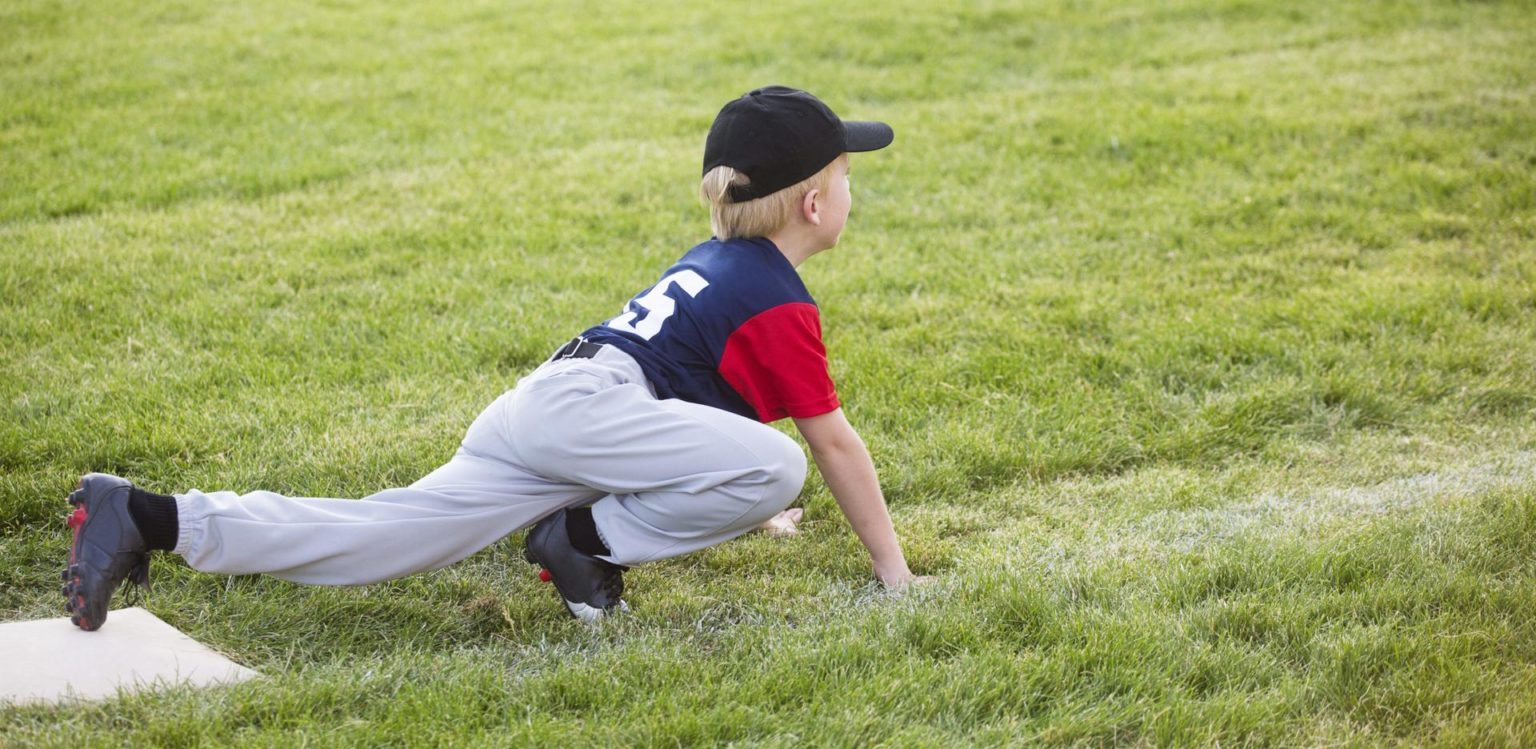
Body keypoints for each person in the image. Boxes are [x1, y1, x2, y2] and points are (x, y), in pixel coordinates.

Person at [62, 85, 923, 630]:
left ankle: (148, 516)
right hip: (591, 411)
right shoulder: (775, 297)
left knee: (386, 534)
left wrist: (744, 512)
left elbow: (696, 410)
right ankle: (581, 544)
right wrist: (894, 573)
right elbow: (832, 443)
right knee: (778, 463)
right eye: (846, 173)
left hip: (552, 402)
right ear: (814, 204)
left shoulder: (722, 265)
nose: (852, 187)